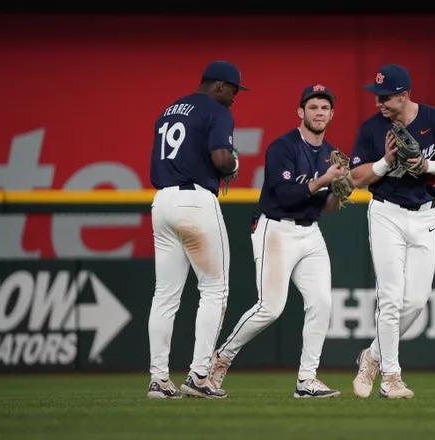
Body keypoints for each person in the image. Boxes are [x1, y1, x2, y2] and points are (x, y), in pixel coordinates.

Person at [207, 84, 348, 398]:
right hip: (276, 229)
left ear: (332, 114)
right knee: (270, 308)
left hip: (310, 232)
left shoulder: (329, 154)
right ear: (301, 112)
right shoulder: (283, 147)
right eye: (313, 107)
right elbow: (285, 195)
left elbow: (324, 205)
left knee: (322, 303)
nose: (319, 112)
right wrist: (326, 180)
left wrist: (338, 195)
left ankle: (307, 380)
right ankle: (220, 358)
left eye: (325, 107)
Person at [349, 64, 435, 399]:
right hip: (387, 213)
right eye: (376, 96)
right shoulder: (372, 129)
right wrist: (385, 162)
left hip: (424, 215)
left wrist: (427, 165)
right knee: (390, 297)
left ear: (404, 95)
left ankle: (371, 356)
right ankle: (391, 378)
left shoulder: (434, 120)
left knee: (415, 300)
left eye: (385, 97)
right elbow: (356, 177)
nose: (378, 103)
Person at [146, 60, 249, 399]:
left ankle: (159, 379)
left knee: (165, 295)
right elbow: (221, 160)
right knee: (215, 289)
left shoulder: (170, 109)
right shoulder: (217, 110)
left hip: (162, 202)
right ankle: (199, 375)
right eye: (234, 89)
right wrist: (232, 163)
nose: (235, 96)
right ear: (219, 85)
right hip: (195, 201)